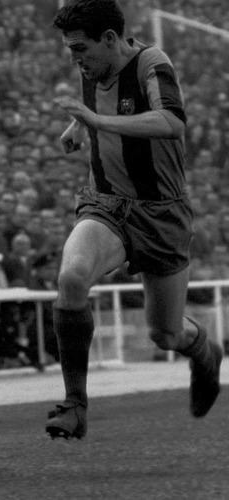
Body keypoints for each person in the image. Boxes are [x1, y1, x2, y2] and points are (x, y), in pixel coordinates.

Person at [45, 0, 222, 440]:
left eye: (80, 49)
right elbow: (98, 108)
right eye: (71, 49)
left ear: (110, 39)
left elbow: (172, 121)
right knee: (72, 278)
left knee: (165, 334)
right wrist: (79, 128)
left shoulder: (152, 63)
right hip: (107, 204)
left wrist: (97, 121)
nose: (75, 59)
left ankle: (205, 352)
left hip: (162, 213)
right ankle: (74, 406)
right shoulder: (93, 65)